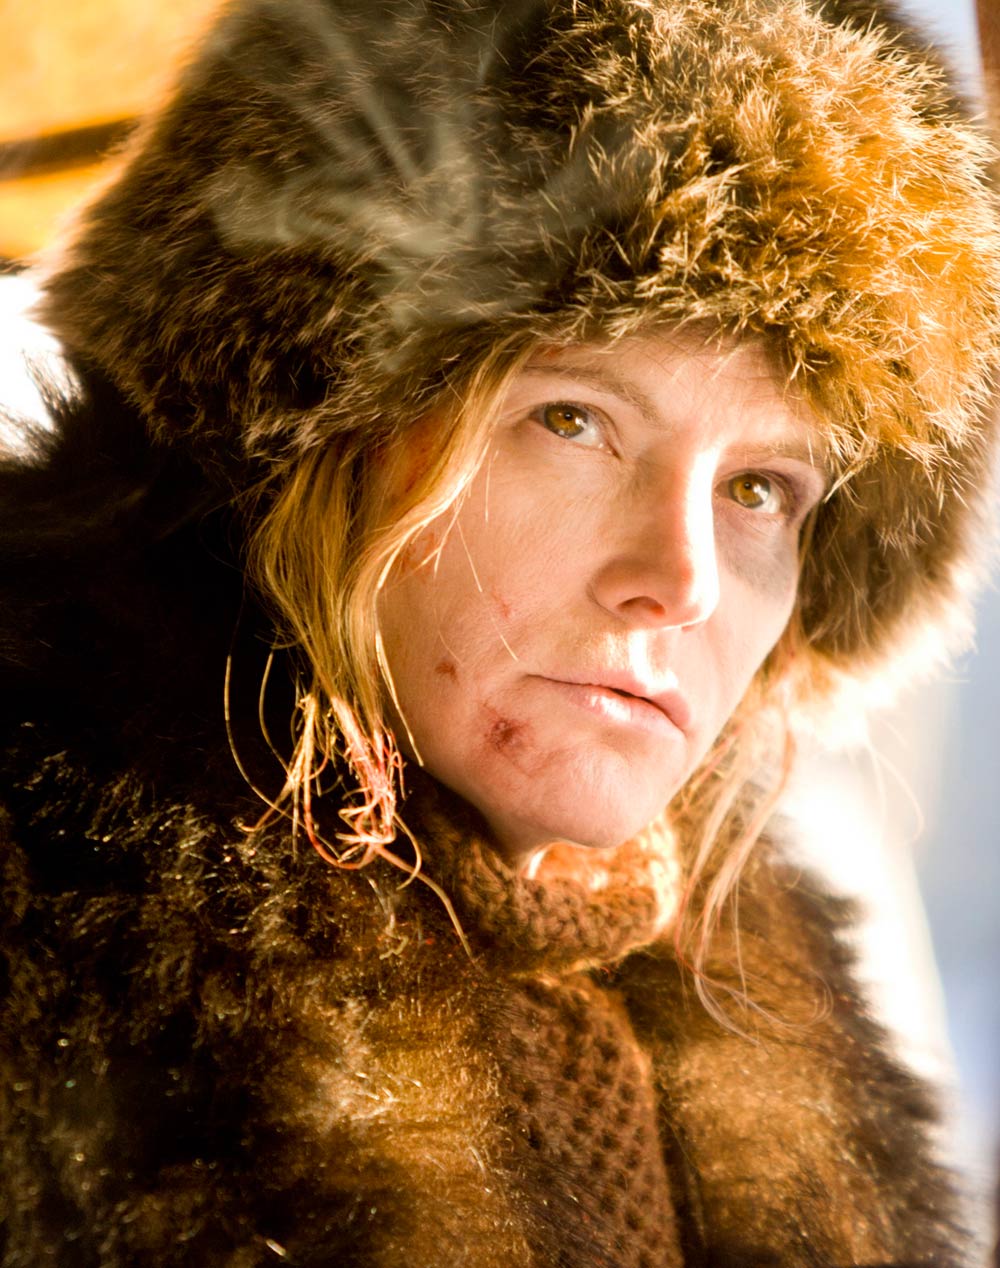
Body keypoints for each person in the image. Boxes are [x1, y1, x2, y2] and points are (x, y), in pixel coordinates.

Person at [1, 0, 998, 1264]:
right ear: (328, 433)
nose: (680, 580)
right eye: (574, 422)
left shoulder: (772, 1006)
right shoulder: (48, 922)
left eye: (759, 488)